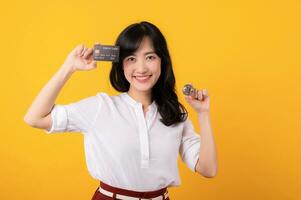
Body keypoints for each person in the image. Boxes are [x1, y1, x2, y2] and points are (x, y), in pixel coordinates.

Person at [24, 21, 218, 200]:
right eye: (131, 59)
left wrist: (203, 114)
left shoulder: (174, 113)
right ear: (121, 64)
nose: (141, 68)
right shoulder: (101, 107)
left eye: (150, 57)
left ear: (162, 61)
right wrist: (69, 67)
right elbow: (35, 118)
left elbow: (208, 169)